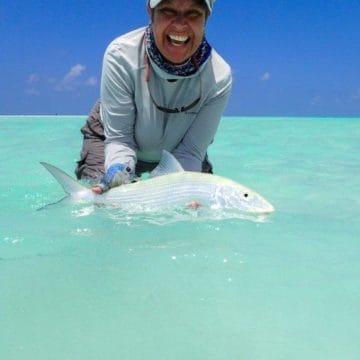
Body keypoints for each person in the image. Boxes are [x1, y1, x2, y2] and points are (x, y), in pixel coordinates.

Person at [75, 0, 232, 193]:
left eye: (193, 13)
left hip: (180, 150)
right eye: (168, 11)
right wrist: (118, 171)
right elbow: (120, 139)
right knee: (102, 204)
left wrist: (178, 190)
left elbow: (190, 151)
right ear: (150, 11)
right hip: (110, 136)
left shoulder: (219, 76)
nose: (180, 24)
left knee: (196, 209)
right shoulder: (120, 55)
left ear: (206, 17)